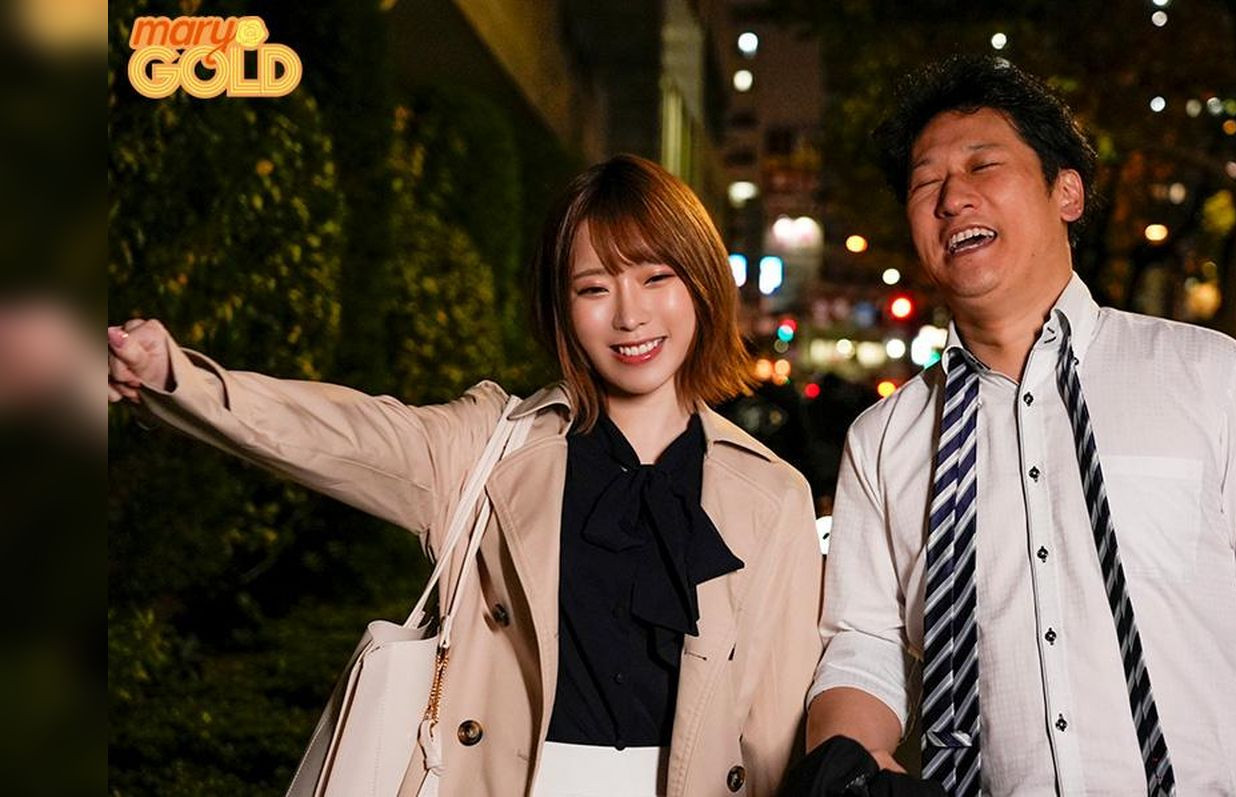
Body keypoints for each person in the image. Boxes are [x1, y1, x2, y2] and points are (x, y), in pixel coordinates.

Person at [107, 154, 823, 797]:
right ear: (561, 307)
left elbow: (774, 732)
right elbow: (345, 435)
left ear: (701, 284)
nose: (630, 314)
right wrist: (180, 380)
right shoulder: (492, 446)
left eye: (656, 277)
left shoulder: (772, 495)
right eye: (594, 287)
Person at [802, 56, 1236, 795]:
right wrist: (844, 770)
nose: (952, 198)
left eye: (983, 166)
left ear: (1066, 190)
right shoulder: (883, 440)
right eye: (924, 184)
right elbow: (864, 646)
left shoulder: (1210, 376)